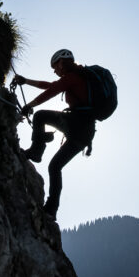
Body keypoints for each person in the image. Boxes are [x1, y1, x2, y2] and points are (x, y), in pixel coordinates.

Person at [14, 49, 95, 220]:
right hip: (84, 134)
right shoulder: (78, 77)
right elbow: (50, 85)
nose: (54, 70)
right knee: (55, 167)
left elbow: (52, 91)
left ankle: (36, 150)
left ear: (61, 62)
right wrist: (25, 81)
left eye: (54, 66)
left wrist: (30, 105)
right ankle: (51, 210)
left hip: (75, 125)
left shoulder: (72, 77)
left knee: (40, 115)